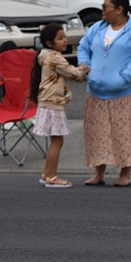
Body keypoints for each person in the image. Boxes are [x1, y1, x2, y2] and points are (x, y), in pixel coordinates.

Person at [77, 0, 131, 187]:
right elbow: (83, 47)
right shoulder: (97, 28)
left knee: (125, 133)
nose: (102, 11)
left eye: (105, 7)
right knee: (97, 133)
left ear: (119, 9)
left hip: (126, 93)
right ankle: (98, 173)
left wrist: (124, 78)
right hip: (96, 93)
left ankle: (125, 174)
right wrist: (84, 65)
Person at [30, 22, 89, 189]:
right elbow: (72, 73)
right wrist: (84, 69)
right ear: (50, 43)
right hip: (53, 103)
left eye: (65, 37)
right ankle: (51, 176)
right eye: (60, 38)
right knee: (57, 141)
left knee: (55, 140)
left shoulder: (44, 55)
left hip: (47, 102)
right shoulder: (55, 57)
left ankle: (47, 173)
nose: (64, 41)